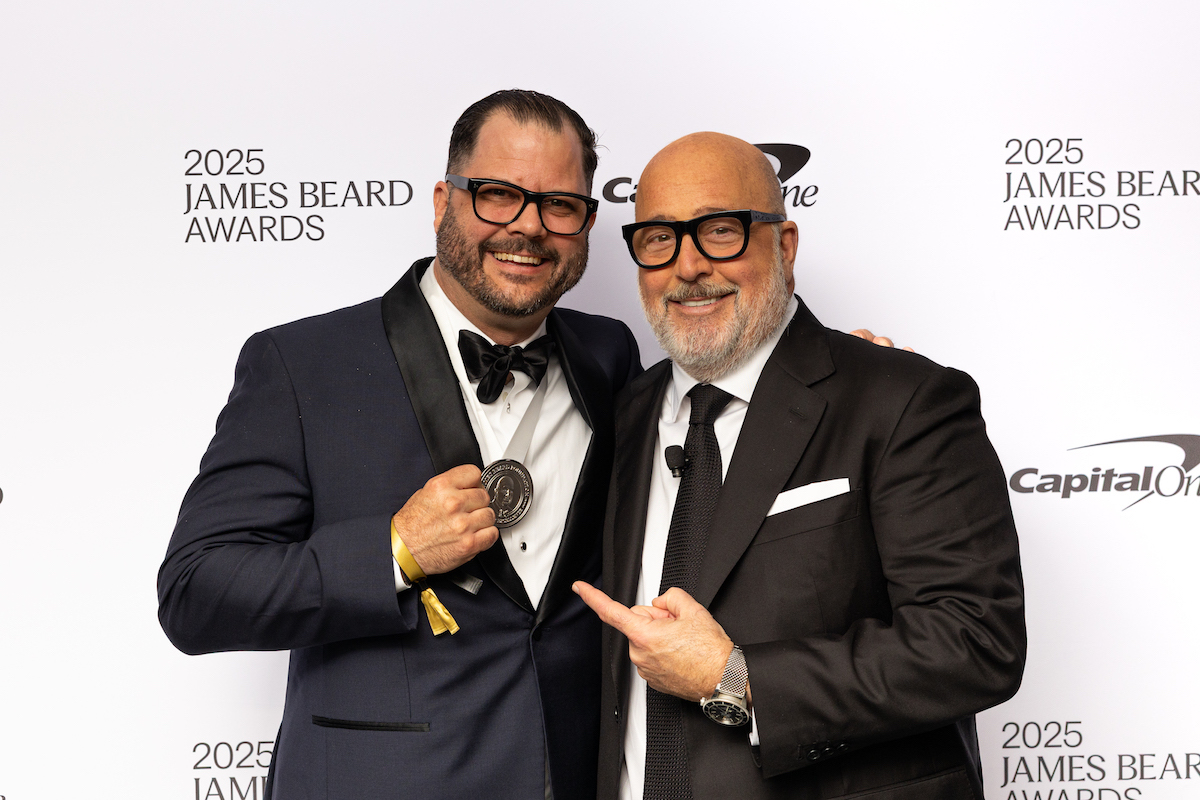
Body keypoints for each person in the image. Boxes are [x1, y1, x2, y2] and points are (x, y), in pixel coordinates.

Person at [158, 90, 642, 800]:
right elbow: (195, 593)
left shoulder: (609, 353)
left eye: (559, 205)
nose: (528, 227)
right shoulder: (301, 365)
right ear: (445, 199)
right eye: (499, 194)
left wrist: (844, 384)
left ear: (588, 222)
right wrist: (394, 552)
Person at [574, 132, 1026, 800]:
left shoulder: (900, 399)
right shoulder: (626, 415)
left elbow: (973, 642)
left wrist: (737, 677)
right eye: (659, 238)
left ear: (784, 246)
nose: (688, 265)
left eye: (720, 231)